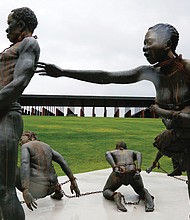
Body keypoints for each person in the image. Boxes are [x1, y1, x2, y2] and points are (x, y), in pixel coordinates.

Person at [36, 23, 190, 199]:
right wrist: (64, 72)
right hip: (178, 135)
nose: (144, 48)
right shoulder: (150, 73)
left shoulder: (186, 69)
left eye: (149, 42)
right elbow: (106, 77)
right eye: (144, 44)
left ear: (168, 44)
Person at [0, 7, 40, 220]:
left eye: (10, 23)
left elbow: (19, 82)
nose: (6, 29)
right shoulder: (12, 48)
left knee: (4, 189)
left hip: (7, 115)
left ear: (22, 26)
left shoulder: (29, 44)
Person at [16, 131, 80, 211]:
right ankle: (57, 190)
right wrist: (73, 181)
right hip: (52, 188)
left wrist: (25, 190)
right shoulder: (47, 146)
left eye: (21, 139)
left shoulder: (26, 146)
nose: (20, 143)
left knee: (11, 170)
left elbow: (24, 164)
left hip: (36, 190)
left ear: (31, 137)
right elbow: (62, 161)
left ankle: (10, 200)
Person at [102, 141, 154, 212]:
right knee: (140, 189)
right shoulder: (131, 152)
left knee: (106, 190)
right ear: (126, 148)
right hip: (132, 170)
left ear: (116, 148)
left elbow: (107, 153)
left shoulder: (114, 152)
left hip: (120, 171)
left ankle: (115, 195)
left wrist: (115, 167)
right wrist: (138, 169)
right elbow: (139, 153)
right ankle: (149, 202)